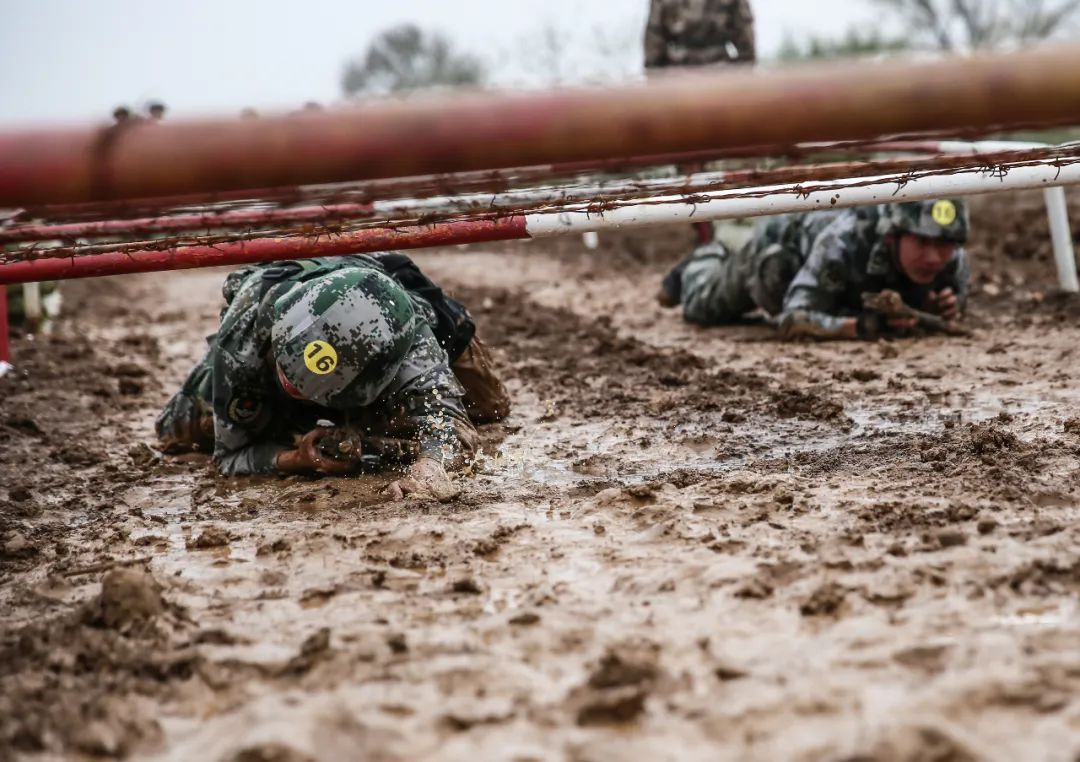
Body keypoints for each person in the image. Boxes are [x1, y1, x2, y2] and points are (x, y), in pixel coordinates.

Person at [156, 253, 511, 500]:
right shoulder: (244, 338)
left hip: (394, 325)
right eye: (290, 379)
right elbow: (229, 457)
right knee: (181, 431)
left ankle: (371, 421)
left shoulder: (409, 336)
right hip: (262, 346)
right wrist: (296, 459)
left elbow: (449, 425)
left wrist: (429, 469)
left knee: (488, 407)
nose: (293, 385)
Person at [658, 199, 972, 340]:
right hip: (779, 250)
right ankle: (704, 258)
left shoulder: (954, 260)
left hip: (834, 278)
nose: (934, 257)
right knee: (701, 307)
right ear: (894, 235)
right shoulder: (843, 241)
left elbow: (956, 301)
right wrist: (864, 327)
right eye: (922, 242)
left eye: (945, 243)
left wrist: (939, 308)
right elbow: (793, 319)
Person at [644, 0, 756, 244]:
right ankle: (721, 234)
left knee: (693, 171)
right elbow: (746, 39)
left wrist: (659, 91)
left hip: (681, 84)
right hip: (718, 82)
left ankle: (709, 235)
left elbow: (653, 45)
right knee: (721, 165)